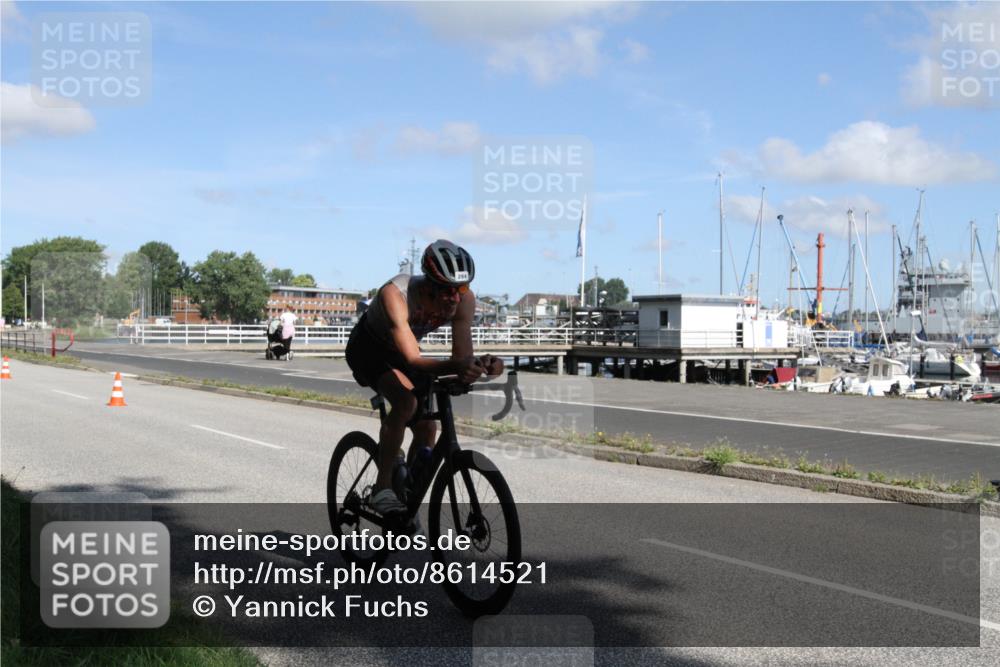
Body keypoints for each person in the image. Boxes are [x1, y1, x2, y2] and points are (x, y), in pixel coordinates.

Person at [346, 240, 503, 516]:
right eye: (446, 290)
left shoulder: (464, 301)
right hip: (369, 349)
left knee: (428, 426)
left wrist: (481, 366)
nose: (455, 298)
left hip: (402, 349)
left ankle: (406, 494)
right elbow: (413, 360)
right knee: (405, 403)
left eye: (461, 288)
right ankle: (382, 490)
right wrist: (459, 365)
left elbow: (461, 358)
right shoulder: (396, 294)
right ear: (428, 283)